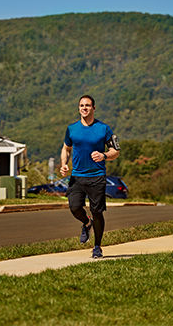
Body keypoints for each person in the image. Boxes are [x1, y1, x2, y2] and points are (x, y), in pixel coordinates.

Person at [60, 94, 120, 258]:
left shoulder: (104, 129)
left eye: (87, 105)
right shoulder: (72, 129)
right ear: (78, 108)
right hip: (77, 176)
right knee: (74, 206)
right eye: (81, 105)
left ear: (94, 108)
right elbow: (66, 148)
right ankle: (87, 223)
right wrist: (64, 164)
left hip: (97, 176)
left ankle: (97, 247)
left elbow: (116, 151)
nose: (84, 108)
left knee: (97, 212)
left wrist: (104, 156)